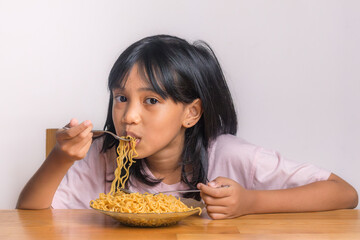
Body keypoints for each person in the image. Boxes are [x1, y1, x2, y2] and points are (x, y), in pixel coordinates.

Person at [17, 35, 358, 219]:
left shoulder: (227, 155)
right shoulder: (103, 155)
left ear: (191, 113)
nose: (129, 116)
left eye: (151, 101)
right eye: (121, 98)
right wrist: (60, 158)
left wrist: (250, 202)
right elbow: (29, 215)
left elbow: (344, 193)